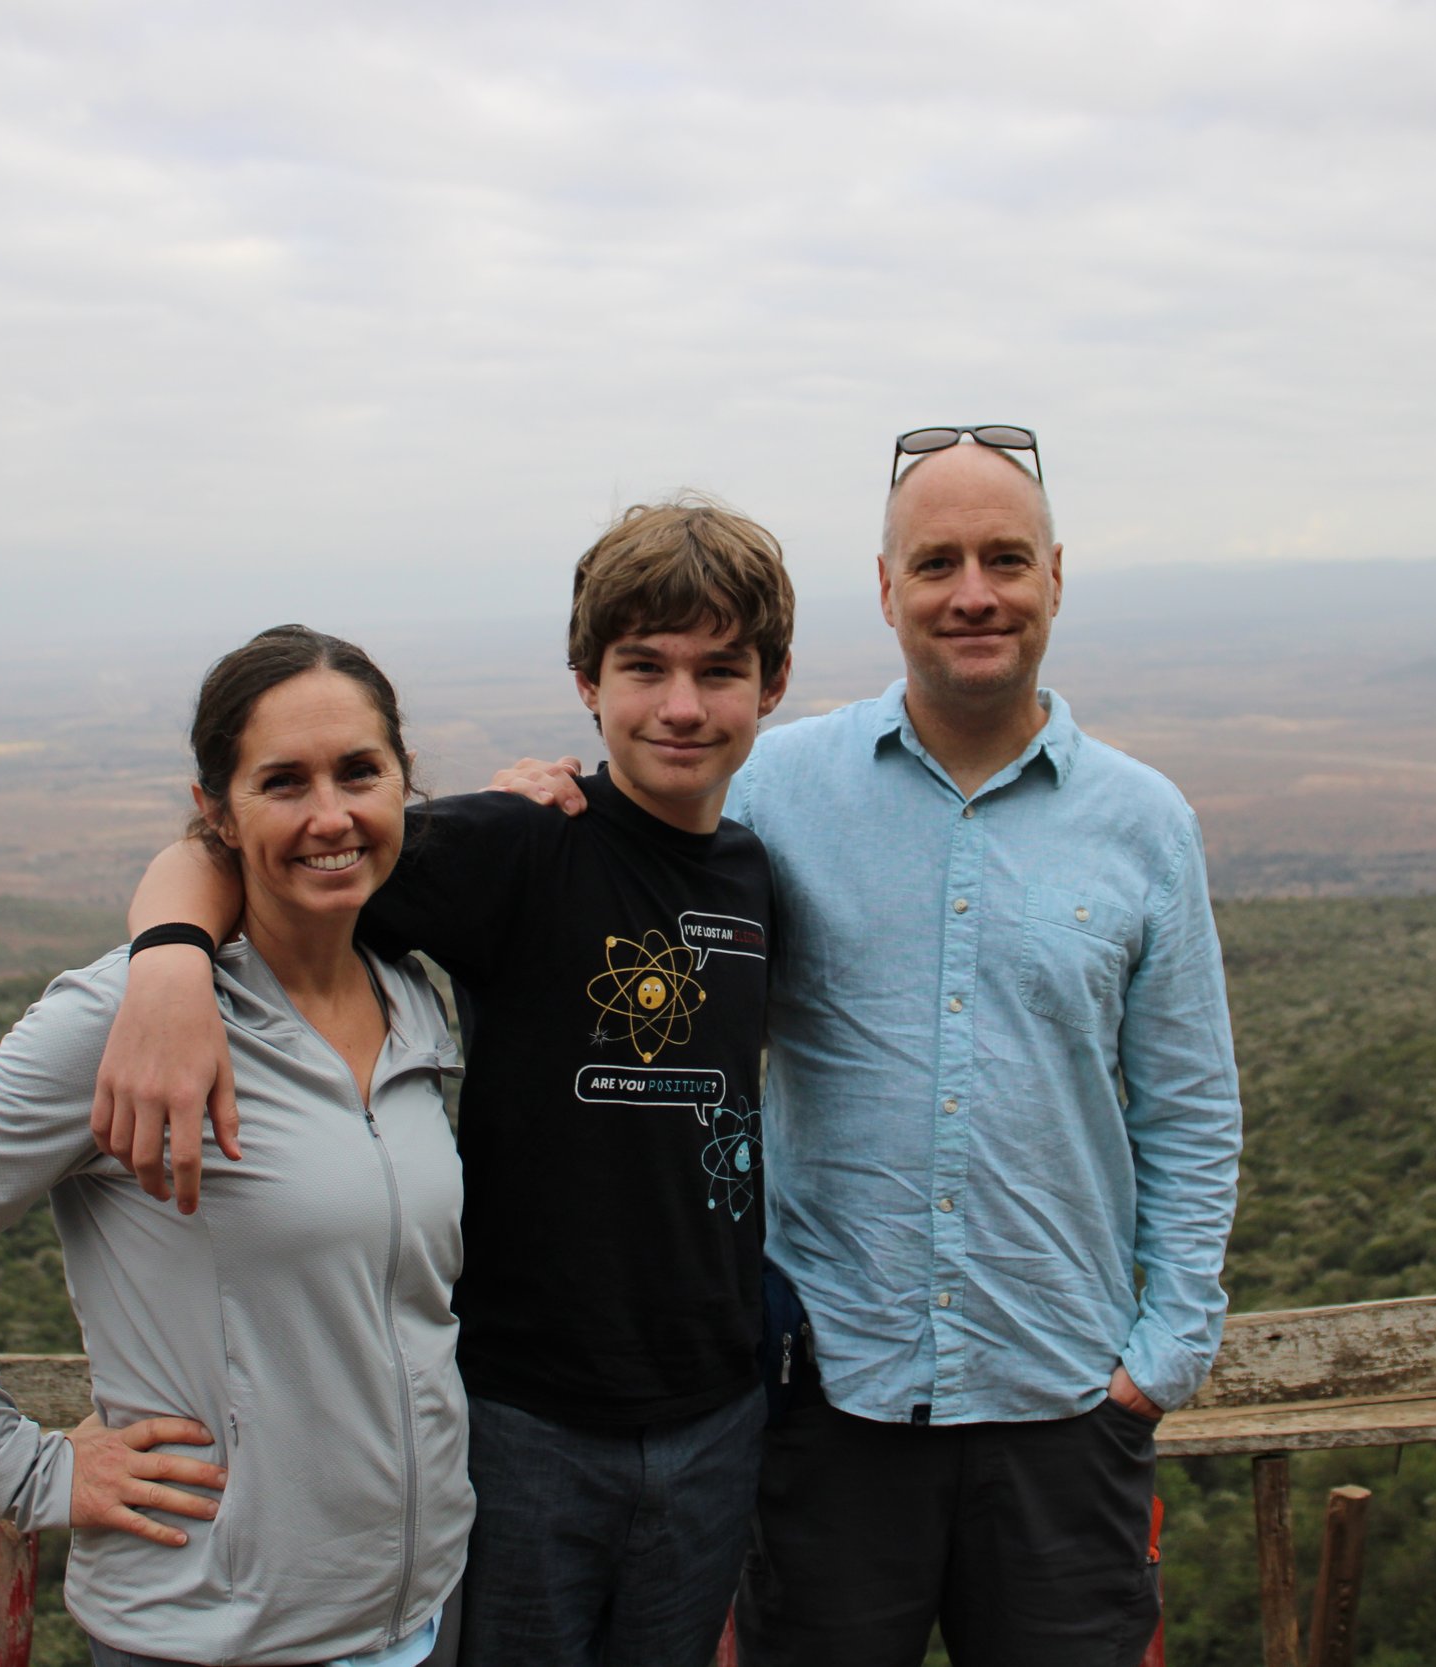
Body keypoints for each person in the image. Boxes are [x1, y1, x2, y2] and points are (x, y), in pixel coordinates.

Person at [500, 429, 1243, 1667]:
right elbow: (611, 840)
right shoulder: (770, 785)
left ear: (1054, 575)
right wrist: (531, 813)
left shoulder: (1144, 822)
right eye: (937, 560)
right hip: (828, 1397)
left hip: (1064, 1401)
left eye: (1004, 558)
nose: (973, 591)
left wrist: (1160, 1356)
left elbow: (1187, 1105)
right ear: (887, 586)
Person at [95, 498, 795, 1667]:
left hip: (716, 1414)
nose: (681, 703)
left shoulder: (754, 874)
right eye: (645, 666)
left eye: (720, 670)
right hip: (526, 1419)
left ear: (769, 685)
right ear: (587, 679)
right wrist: (167, 958)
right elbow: (246, 843)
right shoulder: (520, 842)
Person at [0, 626, 470, 1667]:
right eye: (282, 782)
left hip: (417, 1614)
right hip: (209, 1630)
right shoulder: (132, 1016)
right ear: (215, 808)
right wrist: (19, 1469)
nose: (331, 815)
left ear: (404, 782)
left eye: (360, 771)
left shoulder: (412, 1001)